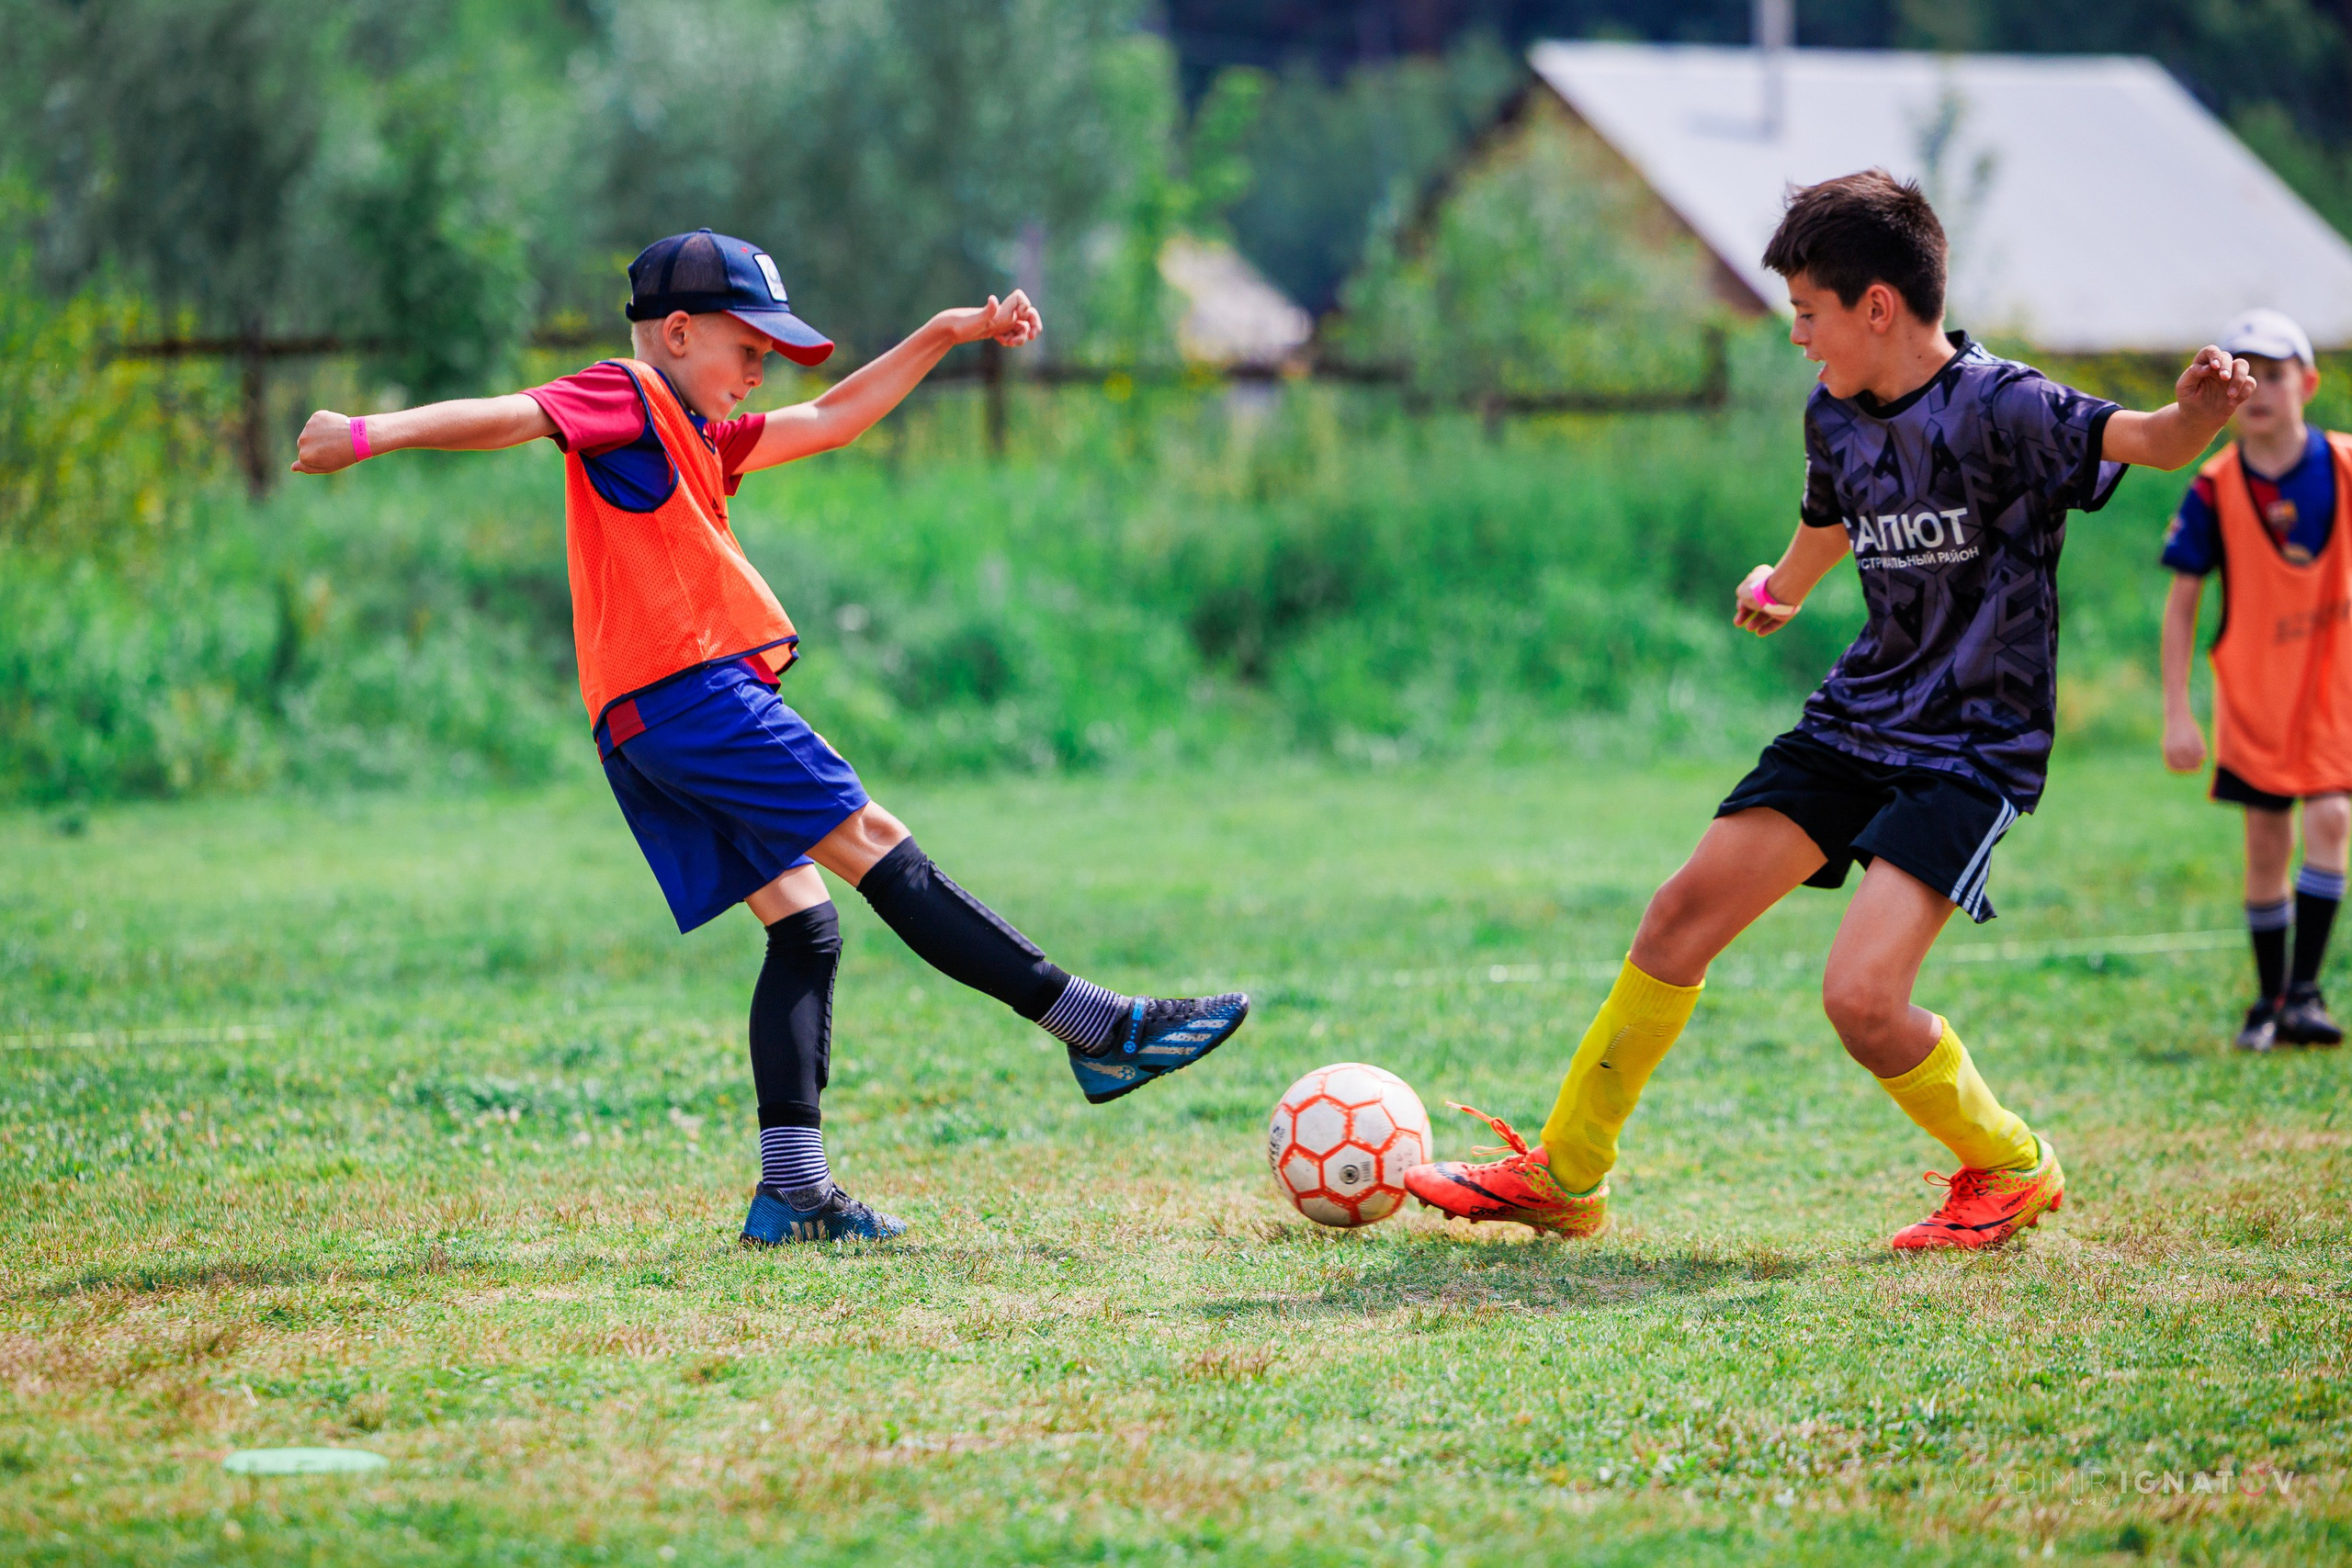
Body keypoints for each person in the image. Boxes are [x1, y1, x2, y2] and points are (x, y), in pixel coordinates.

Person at [290, 229, 1248, 1243]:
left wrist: (943, 333)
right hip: (692, 694)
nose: (758, 372)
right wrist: (365, 434)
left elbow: (834, 416)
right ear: (675, 332)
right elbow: (514, 415)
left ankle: (793, 1189)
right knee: (873, 842)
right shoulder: (629, 396)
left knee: (804, 924)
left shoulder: (698, 434)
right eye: (746, 349)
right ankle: (1098, 1029)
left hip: (641, 723)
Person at [1404, 172, 2253, 1250]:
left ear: (1877, 307)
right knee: (1677, 917)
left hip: (1967, 746)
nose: (1798, 337)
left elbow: (2151, 440)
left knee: (1859, 1001)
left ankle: (2008, 1165)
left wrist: (2198, 411)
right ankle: (1566, 1176)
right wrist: (1782, 591)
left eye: (1807, 313)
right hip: (1858, 715)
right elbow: (1828, 520)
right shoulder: (1835, 413)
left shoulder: (2006, 407)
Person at [2159, 309, 2350, 1053]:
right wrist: (2178, 711)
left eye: (2276, 374)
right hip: (2255, 694)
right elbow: (2182, 609)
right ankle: (2269, 1000)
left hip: (2334, 688)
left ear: (2307, 383)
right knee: (2267, 842)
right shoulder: (2214, 485)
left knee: (2331, 819)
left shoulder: (2342, 466)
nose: (2262, 391)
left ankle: (2306, 993)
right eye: (2247, 377)